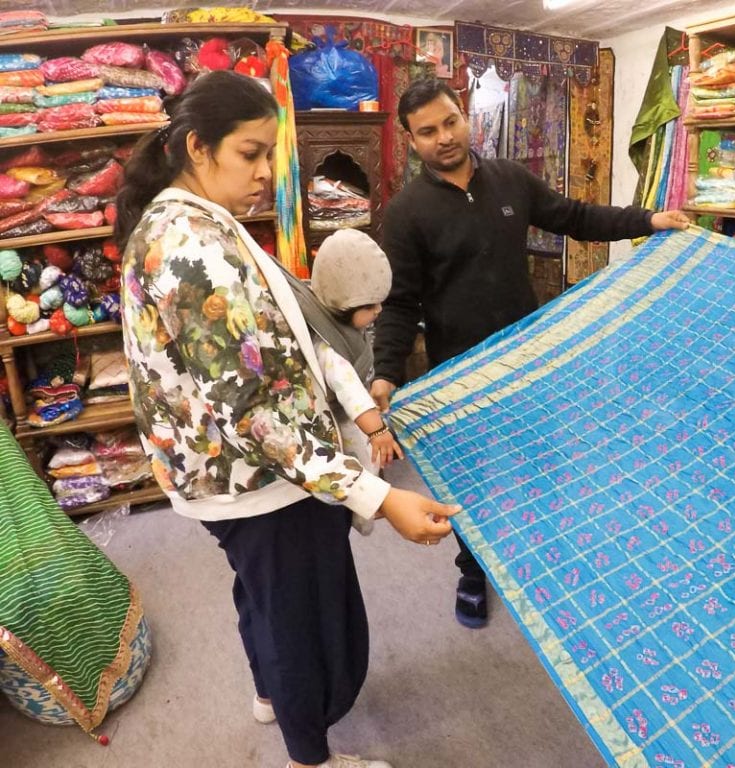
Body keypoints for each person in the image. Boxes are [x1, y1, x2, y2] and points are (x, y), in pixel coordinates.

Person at [115, 70, 459, 768]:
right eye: (251, 153)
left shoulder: (194, 222)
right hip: (260, 481)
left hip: (235, 476)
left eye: (270, 154)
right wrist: (379, 496)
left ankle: (273, 696)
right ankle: (312, 758)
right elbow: (255, 415)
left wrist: (353, 405)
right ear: (196, 147)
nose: (267, 172)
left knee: (268, 602)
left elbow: (279, 344)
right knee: (300, 623)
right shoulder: (192, 251)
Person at [370, 77, 691, 629]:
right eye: (427, 131)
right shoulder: (406, 213)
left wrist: (648, 221)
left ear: (464, 115)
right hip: (460, 374)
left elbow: (575, 217)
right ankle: (473, 570)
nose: (444, 137)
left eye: (450, 122)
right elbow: (400, 304)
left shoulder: (510, 179)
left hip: (530, 364)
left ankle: (543, 557)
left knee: (542, 463)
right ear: (410, 139)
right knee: (472, 479)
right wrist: (385, 375)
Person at [309, 228, 404, 535]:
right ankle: (366, 511)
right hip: (342, 426)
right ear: (341, 304)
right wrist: (377, 431)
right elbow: (349, 390)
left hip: (353, 415)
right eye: (368, 307)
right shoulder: (328, 346)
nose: (378, 312)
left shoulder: (340, 324)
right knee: (362, 466)